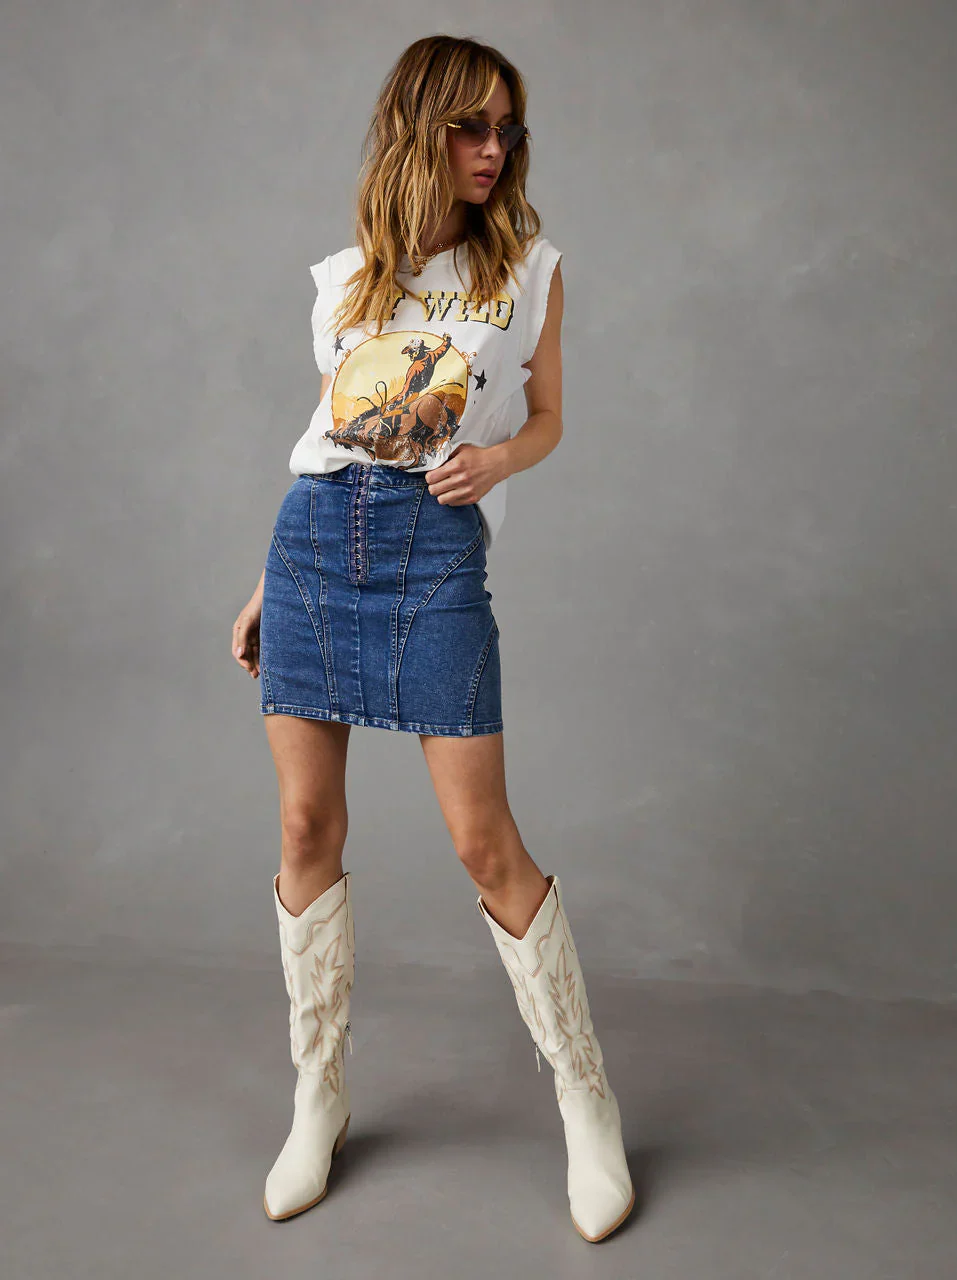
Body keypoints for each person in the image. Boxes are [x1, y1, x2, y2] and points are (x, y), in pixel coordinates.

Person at [230, 34, 634, 1243]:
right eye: (470, 126)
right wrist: (263, 584)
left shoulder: (529, 269)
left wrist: (497, 460)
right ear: (419, 128)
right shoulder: (345, 277)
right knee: (305, 826)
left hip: (433, 557)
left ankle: (586, 1097)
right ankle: (318, 1094)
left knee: (481, 840)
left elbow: (549, 416)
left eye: (506, 127)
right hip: (313, 548)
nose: (492, 148)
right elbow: (327, 434)